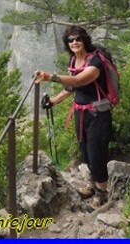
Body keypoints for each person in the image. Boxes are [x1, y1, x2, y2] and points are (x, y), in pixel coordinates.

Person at [34, 25, 112, 208]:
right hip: (81, 112)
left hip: (98, 113)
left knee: (96, 152)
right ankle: (93, 186)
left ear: (84, 40)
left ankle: (102, 194)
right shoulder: (73, 60)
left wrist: (49, 77)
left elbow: (78, 81)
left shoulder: (95, 62)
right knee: (85, 150)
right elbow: (71, 87)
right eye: (70, 40)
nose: (74, 42)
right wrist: (53, 101)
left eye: (78, 39)